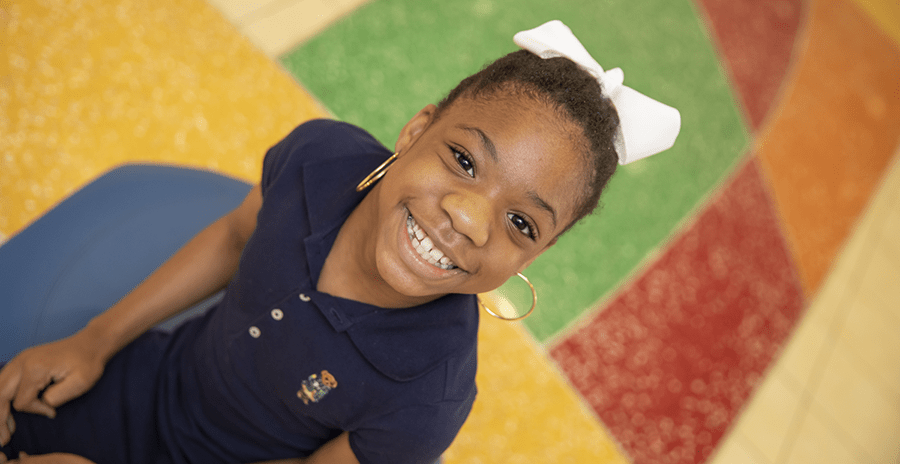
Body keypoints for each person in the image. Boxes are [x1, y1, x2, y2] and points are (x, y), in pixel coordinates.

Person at [0, 21, 679, 464]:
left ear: (535, 257)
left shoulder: (430, 393)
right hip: (149, 383)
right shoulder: (318, 158)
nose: (472, 220)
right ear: (415, 131)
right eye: (465, 161)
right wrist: (93, 341)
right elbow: (236, 237)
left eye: (522, 225)